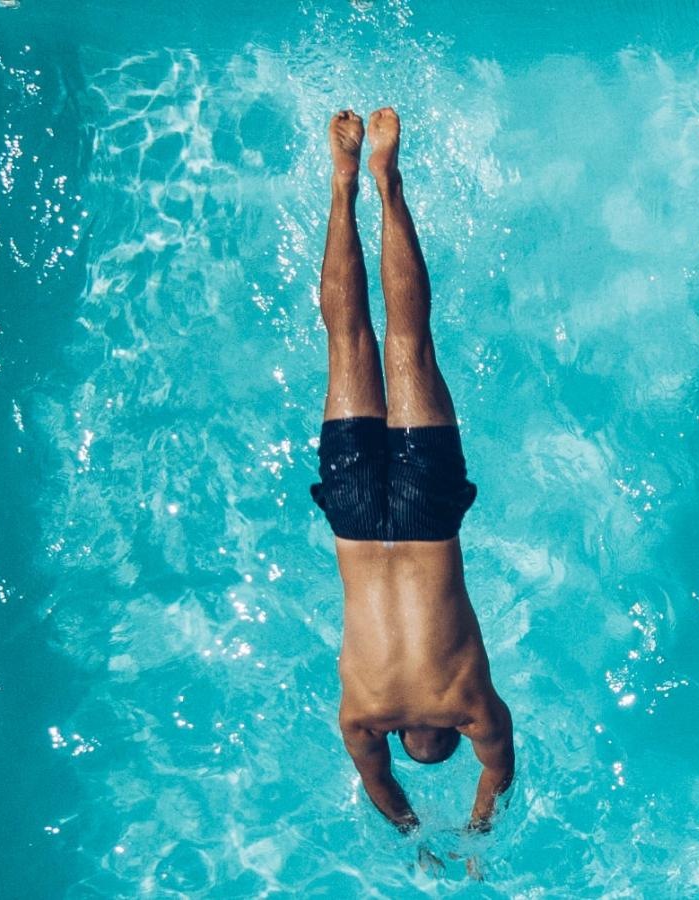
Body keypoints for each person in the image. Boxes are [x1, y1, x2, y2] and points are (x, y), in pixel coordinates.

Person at [310, 107, 513, 833]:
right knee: (346, 342)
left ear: (451, 734)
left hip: (428, 518)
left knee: (410, 339)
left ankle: (386, 179)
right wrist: (413, 832)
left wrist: (475, 831)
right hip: (354, 519)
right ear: (401, 735)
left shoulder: (470, 706)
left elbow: (498, 769)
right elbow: (377, 781)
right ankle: (342, 187)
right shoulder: (363, 715)